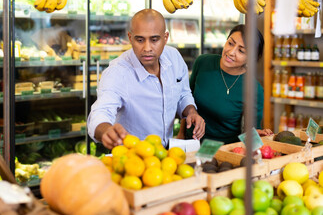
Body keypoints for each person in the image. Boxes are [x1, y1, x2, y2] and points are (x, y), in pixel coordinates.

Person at [87, 9, 205, 150]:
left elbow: (183, 94)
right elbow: (100, 112)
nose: (147, 48)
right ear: (130, 38)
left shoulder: (174, 58)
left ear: (165, 38)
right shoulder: (117, 72)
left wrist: (191, 111)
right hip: (135, 158)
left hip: (168, 153)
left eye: (154, 40)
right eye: (140, 40)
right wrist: (106, 130)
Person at [177, 24, 272, 144]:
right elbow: (186, 100)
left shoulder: (253, 88)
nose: (231, 52)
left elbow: (250, 132)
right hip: (190, 143)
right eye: (230, 43)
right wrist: (181, 135)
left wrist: (258, 135)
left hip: (222, 151)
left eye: (241, 51)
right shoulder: (203, 62)